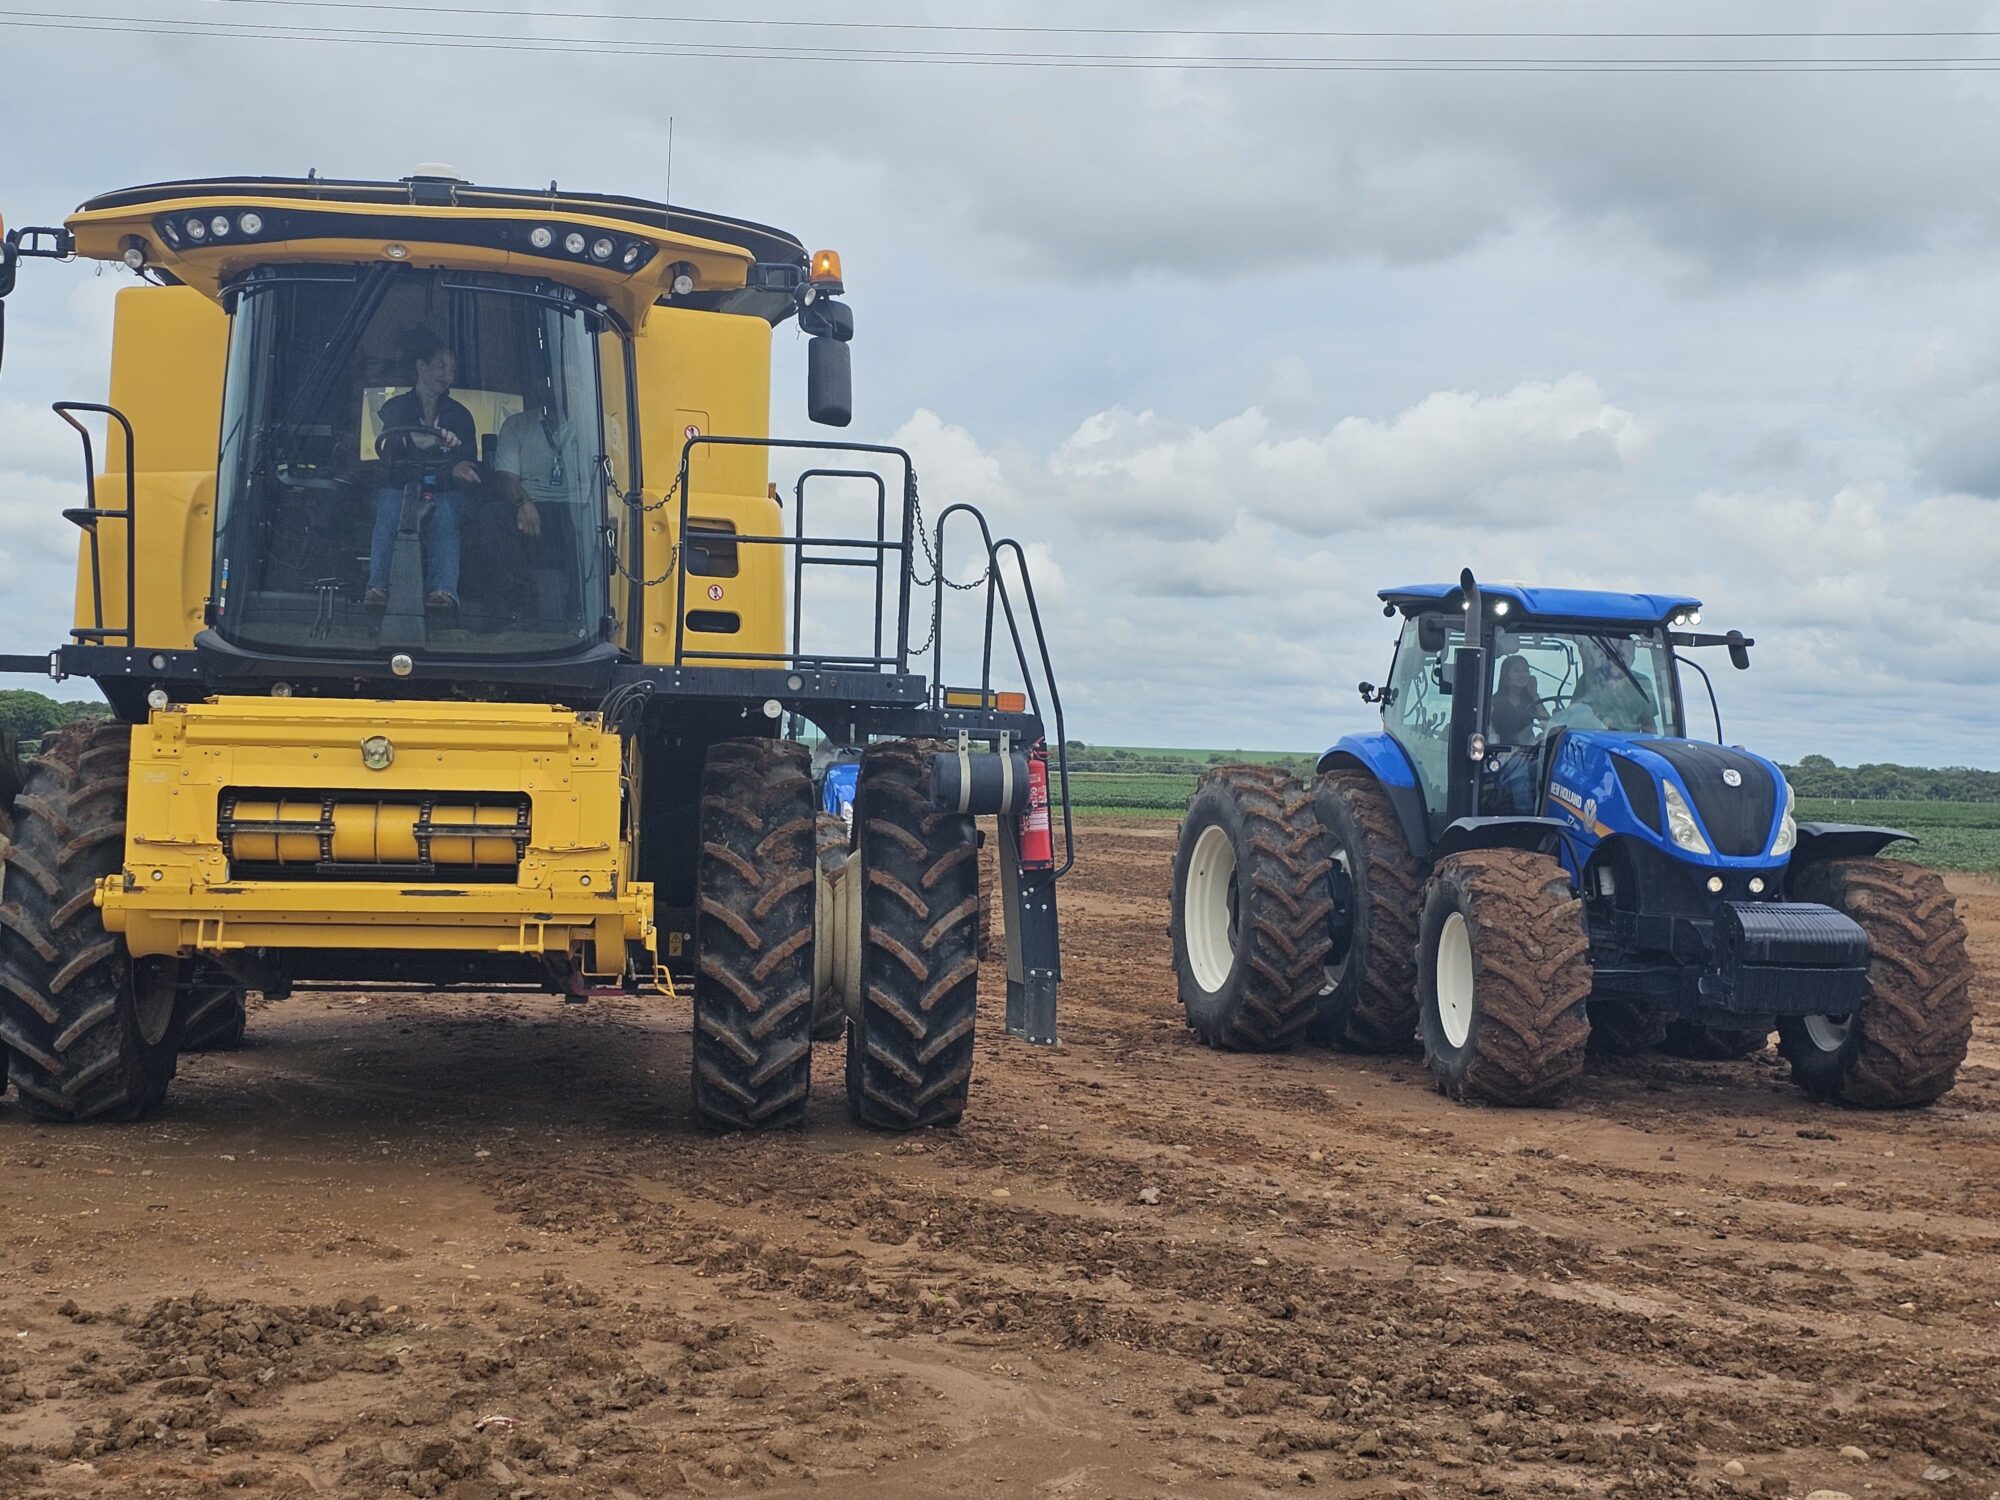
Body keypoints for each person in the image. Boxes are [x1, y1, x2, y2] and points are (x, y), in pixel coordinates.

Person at [366, 326, 480, 609]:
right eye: (441, 366)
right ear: (420, 366)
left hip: (445, 492)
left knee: (444, 511)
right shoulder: (394, 409)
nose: (447, 375)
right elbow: (391, 455)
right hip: (400, 487)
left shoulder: (460, 416)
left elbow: (467, 464)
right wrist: (425, 443)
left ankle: (443, 592)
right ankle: (377, 587)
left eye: (452, 369)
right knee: (390, 507)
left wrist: (456, 469)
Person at [490, 378, 589, 623]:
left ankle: (582, 612)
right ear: (543, 387)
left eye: (570, 383)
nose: (562, 390)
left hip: (580, 506)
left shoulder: (599, 426)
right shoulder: (517, 425)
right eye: (556, 383)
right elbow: (505, 475)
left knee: (595, 524)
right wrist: (522, 503)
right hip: (532, 504)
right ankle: (521, 606)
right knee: (492, 517)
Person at [1573, 635, 1658, 733]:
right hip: (1592, 741)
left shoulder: (1642, 683)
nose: (1620, 660)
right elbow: (1574, 714)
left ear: (1633, 658)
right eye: (1616, 655)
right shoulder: (1588, 679)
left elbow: (1649, 725)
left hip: (1628, 744)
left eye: (1625, 655)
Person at [1489, 654, 1548, 744]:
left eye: (1525, 670)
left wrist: (1535, 696)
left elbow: (1548, 727)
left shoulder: (1532, 703)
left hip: (1529, 755)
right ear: (1506, 676)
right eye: (1516, 671)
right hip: (1500, 754)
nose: (1521, 675)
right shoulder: (1494, 703)